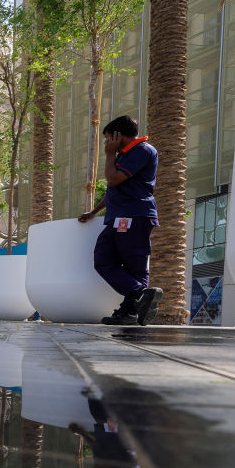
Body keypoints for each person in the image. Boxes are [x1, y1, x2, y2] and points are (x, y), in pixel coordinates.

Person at [78, 115, 163, 326]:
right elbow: (113, 189)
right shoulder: (125, 155)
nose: (106, 143)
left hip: (134, 215)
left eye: (108, 138)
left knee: (135, 266)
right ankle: (138, 297)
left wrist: (109, 155)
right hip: (119, 217)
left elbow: (113, 179)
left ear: (118, 135)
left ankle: (129, 310)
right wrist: (94, 212)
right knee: (103, 259)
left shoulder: (142, 150)